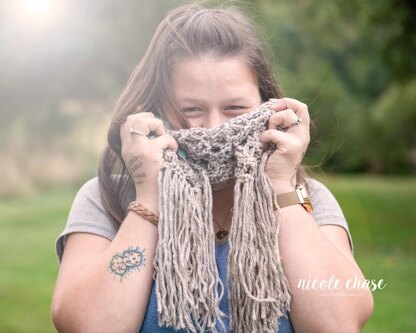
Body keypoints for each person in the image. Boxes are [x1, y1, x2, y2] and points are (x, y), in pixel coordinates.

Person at [51, 3, 373, 332]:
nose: (212, 128)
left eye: (235, 108)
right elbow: (87, 326)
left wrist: (280, 186)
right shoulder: (106, 198)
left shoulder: (306, 197)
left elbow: (339, 322)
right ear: (153, 109)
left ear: (268, 105)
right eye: (191, 109)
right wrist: (149, 197)